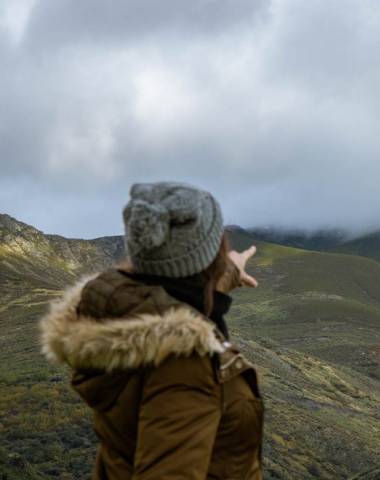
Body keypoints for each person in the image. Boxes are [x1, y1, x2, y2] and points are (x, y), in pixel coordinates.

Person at [39, 182, 264, 479]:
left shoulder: (121, 317)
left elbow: (177, 297)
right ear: (209, 260)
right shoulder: (186, 368)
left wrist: (223, 276)